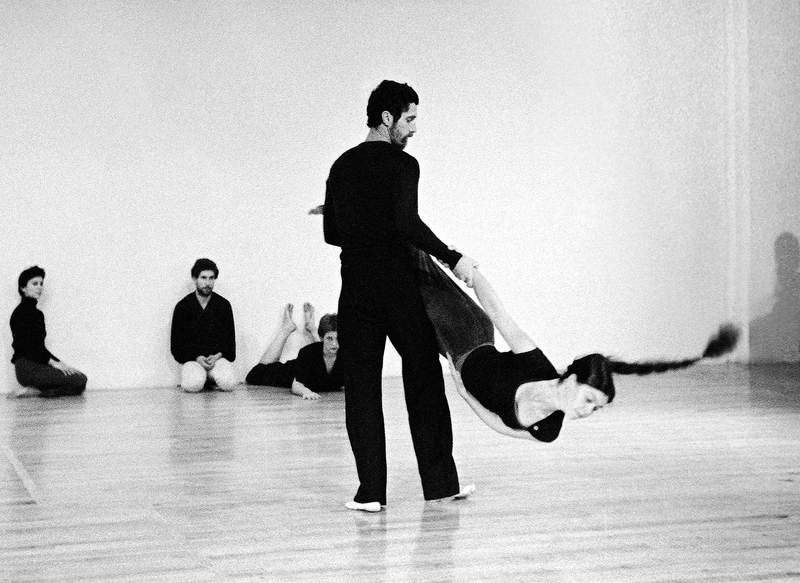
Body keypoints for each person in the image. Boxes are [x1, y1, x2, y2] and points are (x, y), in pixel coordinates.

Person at [323, 80, 478, 512]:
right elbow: (407, 223)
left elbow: (332, 233)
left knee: (363, 389)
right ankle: (441, 485)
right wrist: (453, 257)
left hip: (355, 292)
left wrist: (343, 211)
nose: (413, 129)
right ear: (387, 118)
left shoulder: (340, 165)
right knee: (424, 381)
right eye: (409, 118)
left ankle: (371, 492)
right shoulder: (403, 166)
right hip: (399, 289)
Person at [411, 248, 740, 441]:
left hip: (451, 356)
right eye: (589, 399)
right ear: (570, 380)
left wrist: (463, 393)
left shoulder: (548, 430)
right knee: (417, 267)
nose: (587, 411)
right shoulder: (534, 364)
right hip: (466, 332)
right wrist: (466, 268)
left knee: (403, 293)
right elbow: (499, 314)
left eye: (594, 408)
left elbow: (500, 426)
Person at [9, 265, 87, 398]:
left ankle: (36, 390)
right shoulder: (22, 313)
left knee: (79, 378)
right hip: (27, 368)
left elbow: (40, 347)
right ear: (23, 288)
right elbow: (29, 347)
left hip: (36, 365)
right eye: (35, 283)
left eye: (41, 283)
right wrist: (54, 363)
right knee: (79, 380)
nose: (39, 287)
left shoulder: (35, 313)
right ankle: (36, 392)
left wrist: (60, 363)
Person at [245, 303, 343, 400]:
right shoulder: (308, 352)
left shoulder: (345, 355)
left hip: (312, 366)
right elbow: (296, 385)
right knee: (256, 372)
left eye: (338, 339)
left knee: (324, 349)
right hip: (285, 373)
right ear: (321, 337)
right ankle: (286, 329)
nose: (335, 344)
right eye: (330, 338)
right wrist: (307, 392)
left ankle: (312, 329)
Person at [170, 258, 237, 392]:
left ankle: (211, 379)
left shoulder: (223, 305)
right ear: (195, 279)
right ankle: (202, 379)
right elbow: (176, 346)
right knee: (192, 385)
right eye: (203, 278)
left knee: (229, 383)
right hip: (194, 360)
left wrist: (217, 356)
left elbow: (230, 345)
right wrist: (197, 357)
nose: (208, 283)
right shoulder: (183, 307)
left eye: (211, 278)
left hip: (217, 360)